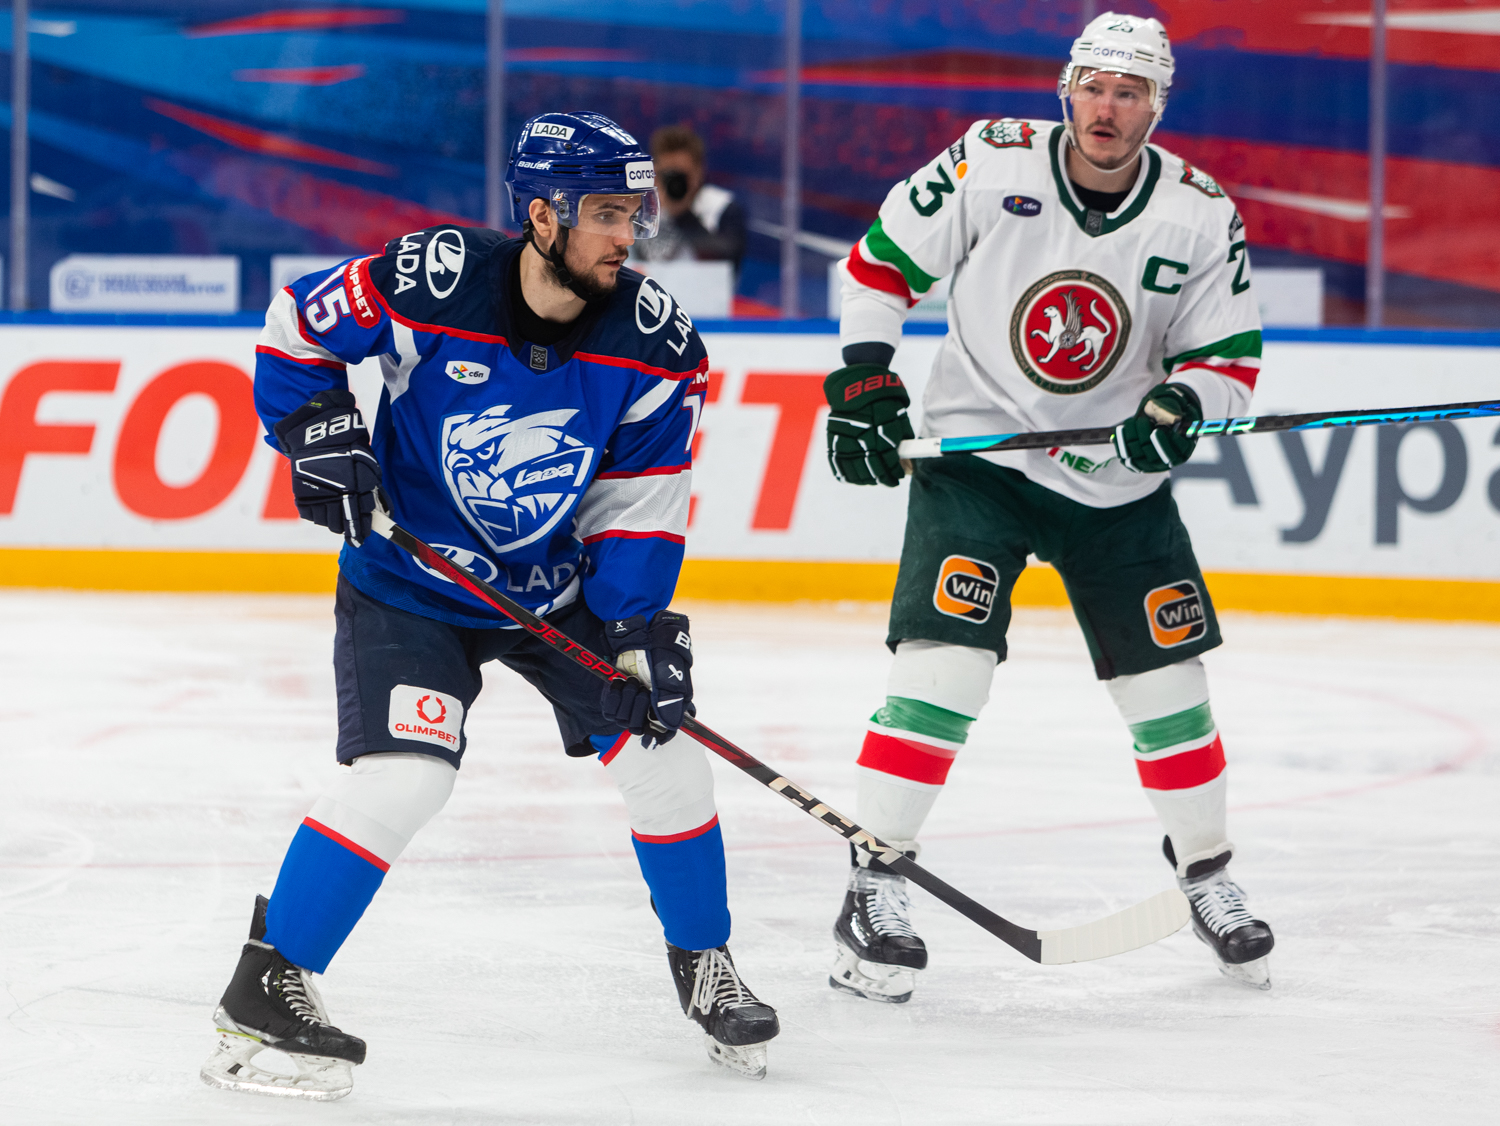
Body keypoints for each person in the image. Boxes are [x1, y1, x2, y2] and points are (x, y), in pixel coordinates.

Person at [201, 111, 779, 1101]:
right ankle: (271, 979)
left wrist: (636, 631)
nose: (627, 235)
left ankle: (706, 962)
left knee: (667, 760)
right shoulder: (434, 278)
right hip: (410, 583)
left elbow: (638, 501)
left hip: (553, 591)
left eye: (633, 214)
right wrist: (318, 427)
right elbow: (296, 327)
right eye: (606, 214)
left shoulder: (656, 341)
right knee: (405, 780)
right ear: (543, 214)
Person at [820, 13, 1275, 1004]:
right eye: (1094, 87)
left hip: (1116, 487)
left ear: (1158, 107)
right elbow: (879, 267)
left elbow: (1227, 360)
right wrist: (862, 376)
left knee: (1169, 688)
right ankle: (875, 878)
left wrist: (1181, 406)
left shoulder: (1200, 214)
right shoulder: (991, 161)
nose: (1108, 108)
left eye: (1130, 92)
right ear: (1067, 91)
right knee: (945, 666)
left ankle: (1206, 874)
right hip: (978, 460)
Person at [628, 125, 747, 275]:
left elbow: (729, 262)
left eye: (681, 176)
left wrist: (682, 214)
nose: (675, 183)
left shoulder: (722, 208)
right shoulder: (642, 205)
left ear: (699, 172)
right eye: (668, 175)